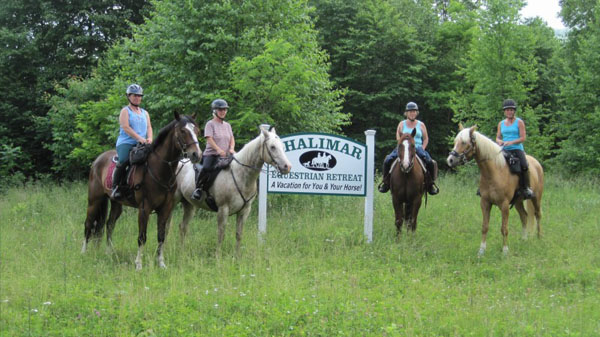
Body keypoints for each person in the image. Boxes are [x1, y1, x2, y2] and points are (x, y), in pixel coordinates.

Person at [378, 101, 439, 195]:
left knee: (430, 162)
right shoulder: (401, 124)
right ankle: (385, 183)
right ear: (406, 113)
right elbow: (398, 138)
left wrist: (422, 148)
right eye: (410, 111)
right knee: (387, 160)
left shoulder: (421, 125)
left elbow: (426, 139)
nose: (412, 113)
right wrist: (403, 145)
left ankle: (430, 185)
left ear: (417, 113)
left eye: (414, 111)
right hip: (403, 147)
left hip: (417, 147)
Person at [111, 84, 153, 199]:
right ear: (128, 96)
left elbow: (149, 127)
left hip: (142, 143)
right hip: (126, 142)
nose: (137, 98)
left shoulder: (145, 113)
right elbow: (126, 127)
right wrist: (139, 138)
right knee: (124, 160)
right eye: (134, 95)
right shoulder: (125, 111)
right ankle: (116, 187)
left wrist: (150, 138)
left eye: (139, 96)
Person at [191, 99, 235, 200]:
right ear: (215, 111)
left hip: (226, 155)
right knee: (206, 168)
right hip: (212, 154)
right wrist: (218, 150)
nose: (223, 112)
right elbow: (209, 139)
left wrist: (232, 148)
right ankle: (198, 189)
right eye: (221, 110)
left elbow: (232, 138)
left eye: (225, 110)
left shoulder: (227, 125)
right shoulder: (210, 124)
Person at [496, 99, 533, 199]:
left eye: (511, 110)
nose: (509, 112)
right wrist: (499, 142)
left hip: (517, 148)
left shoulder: (519, 122)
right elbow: (498, 137)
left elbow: (523, 138)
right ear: (504, 112)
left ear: (514, 111)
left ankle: (525, 188)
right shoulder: (501, 124)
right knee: (492, 162)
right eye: (507, 110)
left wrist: (511, 142)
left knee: (524, 165)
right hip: (504, 149)